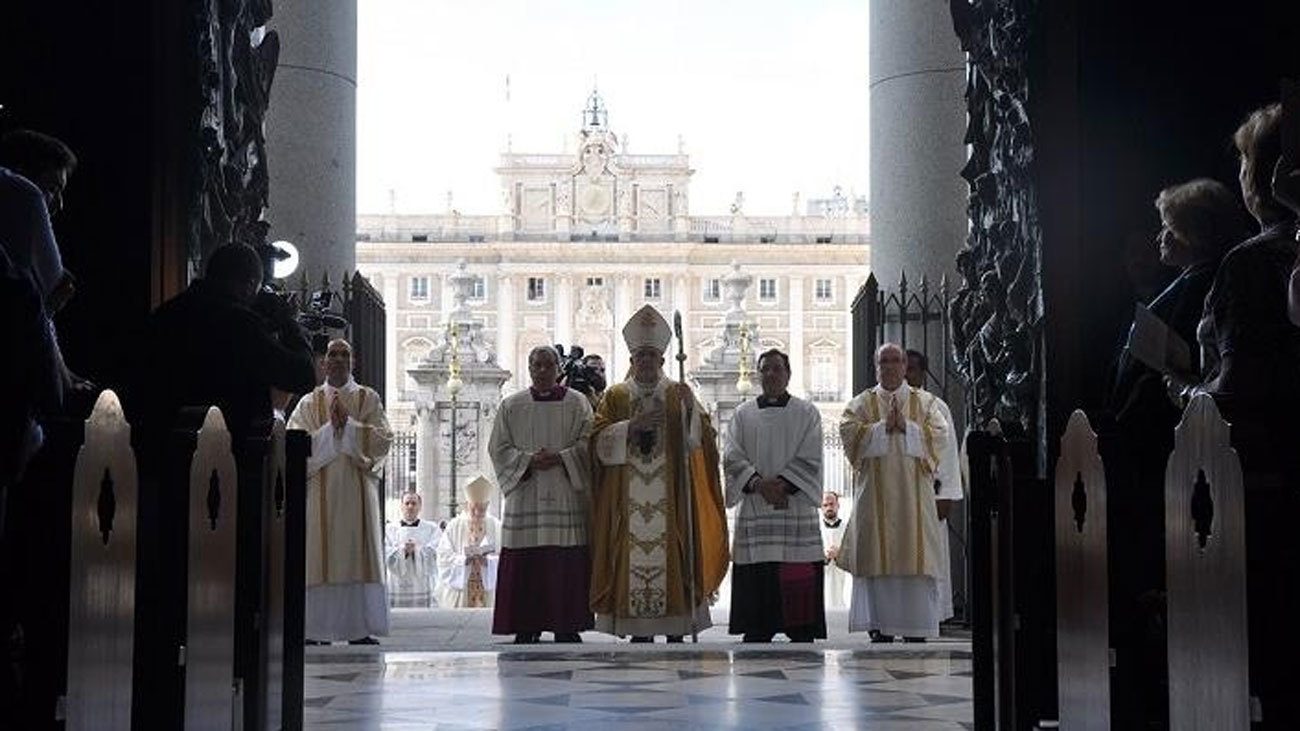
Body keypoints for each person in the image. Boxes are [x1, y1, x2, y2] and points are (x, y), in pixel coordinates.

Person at [1195, 102, 1300, 730]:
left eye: (1243, 160)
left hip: (1263, 480)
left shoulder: (1253, 262)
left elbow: (1240, 382)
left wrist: (1192, 400)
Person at [589, 304, 730, 642]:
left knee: (676, 550)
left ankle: (677, 625)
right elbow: (595, 441)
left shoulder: (677, 393)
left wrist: (689, 419)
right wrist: (629, 427)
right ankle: (637, 630)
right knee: (630, 547)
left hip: (672, 500)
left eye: (653, 357)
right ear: (632, 361)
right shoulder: (616, 395)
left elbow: (701, 443)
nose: (647, 363)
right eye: (641, 357)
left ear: (663, 361)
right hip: (627, 501)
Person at [136, 244, 317, 444]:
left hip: (157, 442)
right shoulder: (239, 323)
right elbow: (302, 376)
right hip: (222, 453)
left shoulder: (166, 314)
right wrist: (289, 322)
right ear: (250, 284)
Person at [837, 343, 954, 643]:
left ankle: (916, 628)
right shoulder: (861, 404)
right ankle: (880, 625)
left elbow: (939, 437)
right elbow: (849, 434)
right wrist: (879, 429)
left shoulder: (926, 403)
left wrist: (907, 427)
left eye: (895, 361)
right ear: (876, 367)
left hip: (915, 502)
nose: (889, 366)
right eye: (883, 361)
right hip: (874, 500)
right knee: (879, 559)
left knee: (914, 558)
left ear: (904, 366)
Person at [288, 338, 394, 645]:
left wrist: (348, 427)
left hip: (357, 494)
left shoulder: (367, 399)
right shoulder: (309, 403)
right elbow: (296, 444)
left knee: (354, 551)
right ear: (323, 364)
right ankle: (316, 630)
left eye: (344, 354)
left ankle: (357, 629)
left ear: (353, 361)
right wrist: (329, 431)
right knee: (317, 555)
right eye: (332, 354)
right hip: (318, 493)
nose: (338, 359)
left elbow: (384, 439)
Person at [488, 345, 595, 644]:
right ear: (529, 368)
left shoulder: (578, 403)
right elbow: (498, 448)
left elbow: (590, 440)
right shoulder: (512, 405)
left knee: (565, 561)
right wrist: (528, 461)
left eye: (548, 365)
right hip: (526, 491)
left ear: (559, 368)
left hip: (564, 489)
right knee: (527, 561)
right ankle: (526, 624)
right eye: (536, 365)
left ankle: (566, 623)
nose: (543, 371)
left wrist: (564, 457)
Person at [723, 348, 826, 643]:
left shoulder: (806, 412)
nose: (770, 374)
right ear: (758, 374)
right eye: (765, 369)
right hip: (757, 503)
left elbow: (812, 454)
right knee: (759, 573)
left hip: (793, 507)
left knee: (795, 569)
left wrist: (783, 486)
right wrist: (758, 484)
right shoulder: (743, 414)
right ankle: (758, 625)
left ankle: (800, 626)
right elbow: (731, 454)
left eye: (777, 369)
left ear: (788, 374)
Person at [904, 349, 964, 625]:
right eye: (902, 368)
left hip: (930, 494)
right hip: (895, 499)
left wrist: (947, 494)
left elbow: (948, 454)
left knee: (929, 556)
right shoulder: (877, 405)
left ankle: (931, 614)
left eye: (912, 369)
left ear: (923, 374)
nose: (906, 374)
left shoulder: (937, 407)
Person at [435, 475, 502, 608]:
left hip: (488, 591)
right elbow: (443, 556)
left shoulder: (496, 526)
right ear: (466, 505)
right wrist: (463, 560)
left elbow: (506, 557)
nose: (477, 513)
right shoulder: (454, 525)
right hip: (462, 592)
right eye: (473, 508)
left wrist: (489, 562)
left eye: (481, 509)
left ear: (487, 505)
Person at [384, 491, 441, 608]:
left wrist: (417, 550)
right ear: (401, 506)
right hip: (396, 584)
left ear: (420, 506)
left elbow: (436, 551)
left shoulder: (431, 528)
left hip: (420, 584)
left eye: (414, 503)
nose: (410, 507)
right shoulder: (389, 529)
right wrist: (402, 551)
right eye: (407, 503)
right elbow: (384, 551)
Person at [820, 492, 850, 610]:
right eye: (825, 505)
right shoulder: (816, 528)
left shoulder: (848, 527)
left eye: (832, 504)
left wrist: (840, 554)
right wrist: (824, 555)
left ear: (838, 505)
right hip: (824, 574)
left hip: (843, 575)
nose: (829, 508)